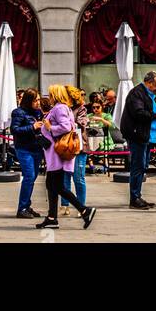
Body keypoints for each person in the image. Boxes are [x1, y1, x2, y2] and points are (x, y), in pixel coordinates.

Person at [36, 85, 96, 231]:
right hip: (55, 154)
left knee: (57, 186)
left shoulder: (59, 108)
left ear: (55, 95)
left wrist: (50, 128)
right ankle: (52, 218)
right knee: (52, 185)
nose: (49, 96)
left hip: (57, 154)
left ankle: (84, 210)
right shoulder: (62, 108)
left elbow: (66, 127)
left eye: (51, 94)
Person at [119, 70, 156, 210]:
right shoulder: (137, 93)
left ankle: (137, 196)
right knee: (138, 166)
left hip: (145, 135)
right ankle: (134, 198)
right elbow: (139, 113)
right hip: (137, 135)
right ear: (149, 83)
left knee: (142, 166)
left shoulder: (147, 94)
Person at [10, 88, 44, 219]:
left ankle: (26, 205)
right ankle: (22, 208)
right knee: (29, 176)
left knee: (32, 177)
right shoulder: (18, 112)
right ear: (29, 100)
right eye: (35, 100)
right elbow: (14, 130)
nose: (38, 102)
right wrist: (32, 127)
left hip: (37, 148)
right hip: (24, 148)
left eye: (39, 99)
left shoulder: (38, 112)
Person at [61, 85, 89, 217]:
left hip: (78, 147)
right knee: (65, 178)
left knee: (78, 178)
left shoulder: (81, 108)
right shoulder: (61, 107)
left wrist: (64, 122)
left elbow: (82, 123)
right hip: (64, 146)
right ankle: (64, 205)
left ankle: (81, 206)